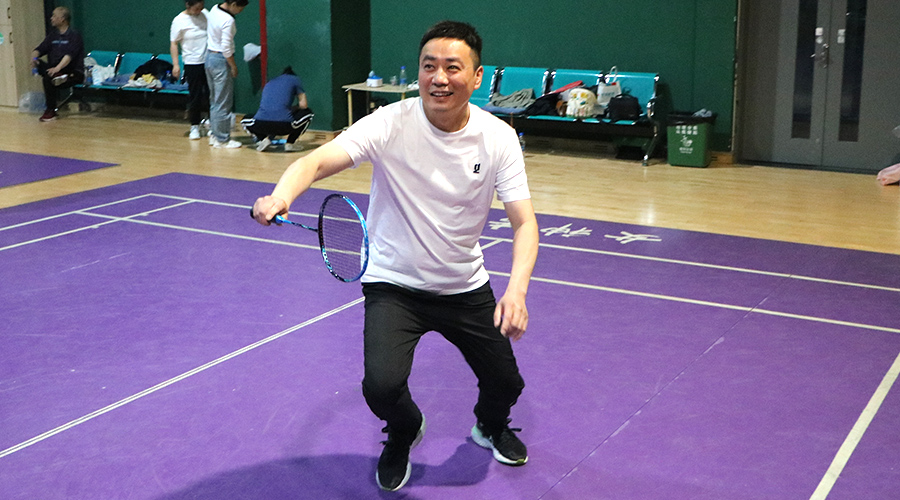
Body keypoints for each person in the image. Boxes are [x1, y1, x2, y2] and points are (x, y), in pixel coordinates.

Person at [251, 21, 539, 492]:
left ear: (477, 76)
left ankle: (489, 425)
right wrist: (281, 196)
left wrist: (517, 290)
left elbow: (525, 223)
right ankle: (404, 430)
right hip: (393, 285)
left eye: (452, 67)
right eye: (429, 66)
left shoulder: (497, 138)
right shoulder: (389, 122)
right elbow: (315, 160)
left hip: (463, 286)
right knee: (381, 388)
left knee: (507, 384)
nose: (439, 78)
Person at [205, 0, 248, 148]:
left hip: (209, 58)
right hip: (221, 61)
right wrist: (233, 66)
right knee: (223, 102)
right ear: (234, 4)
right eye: (240, 8)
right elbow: (226, 48)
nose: (240, 11)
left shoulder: (214, 8)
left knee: (215, 100)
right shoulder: (228, 20)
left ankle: (214, 134)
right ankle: (222, 139)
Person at [30, 7, 85, 122]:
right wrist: (34, 58)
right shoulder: (53, 35)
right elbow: (40, 49)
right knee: (41, 66)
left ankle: (50, 111)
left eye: (54, 16)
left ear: (63, 19)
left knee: (47, 78)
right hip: (54, 70)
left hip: (72, 71)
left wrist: (58, 68)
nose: (51, 18)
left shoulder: (74, 35)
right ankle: (57, 76)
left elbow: (69, 56)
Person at [240, 66, 314, 152]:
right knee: (308, 113)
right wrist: (295, 108)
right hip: (284, 126)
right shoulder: (295, 79)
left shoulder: (269, 82)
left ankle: (263, 139)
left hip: (261, 125)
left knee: (245, 120)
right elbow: (303, 105)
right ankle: (290, 143)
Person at [170, 0, 210, 140]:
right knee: (195, 95)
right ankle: (194, 126)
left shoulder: (205, 14)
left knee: (211, 93)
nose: (200, 11)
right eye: (197, 8)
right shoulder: (179, 20)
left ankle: (211, 123)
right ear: (188, 5)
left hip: (208, 61)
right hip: (192, 63)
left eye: (201, 7)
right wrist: (176, 64)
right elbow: (174, 43)